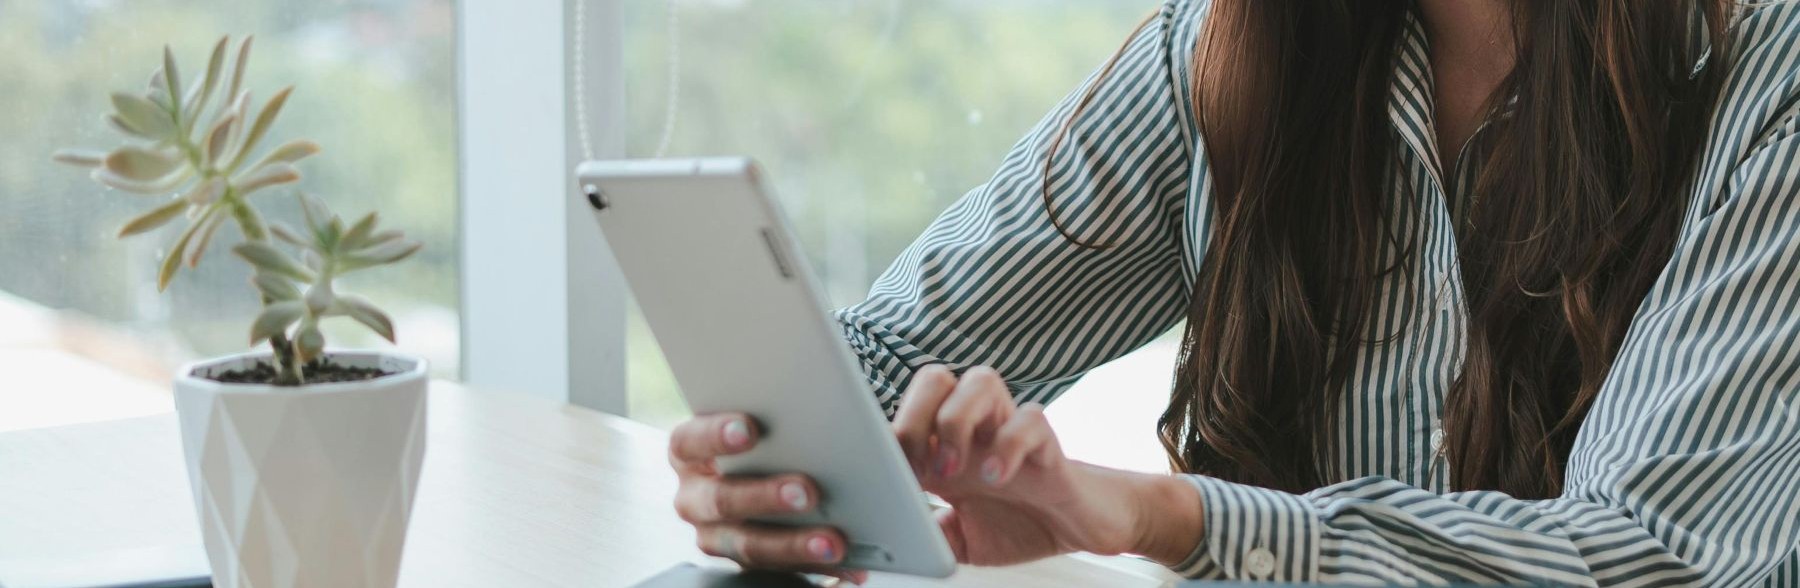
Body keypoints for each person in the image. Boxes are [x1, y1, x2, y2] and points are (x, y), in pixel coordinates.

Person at [666, 0, 1800, 584]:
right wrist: (786, 467)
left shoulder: (1764, 73)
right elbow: (885, 356)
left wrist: (1161, 518)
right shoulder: (1227, 51)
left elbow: (1651, 559)